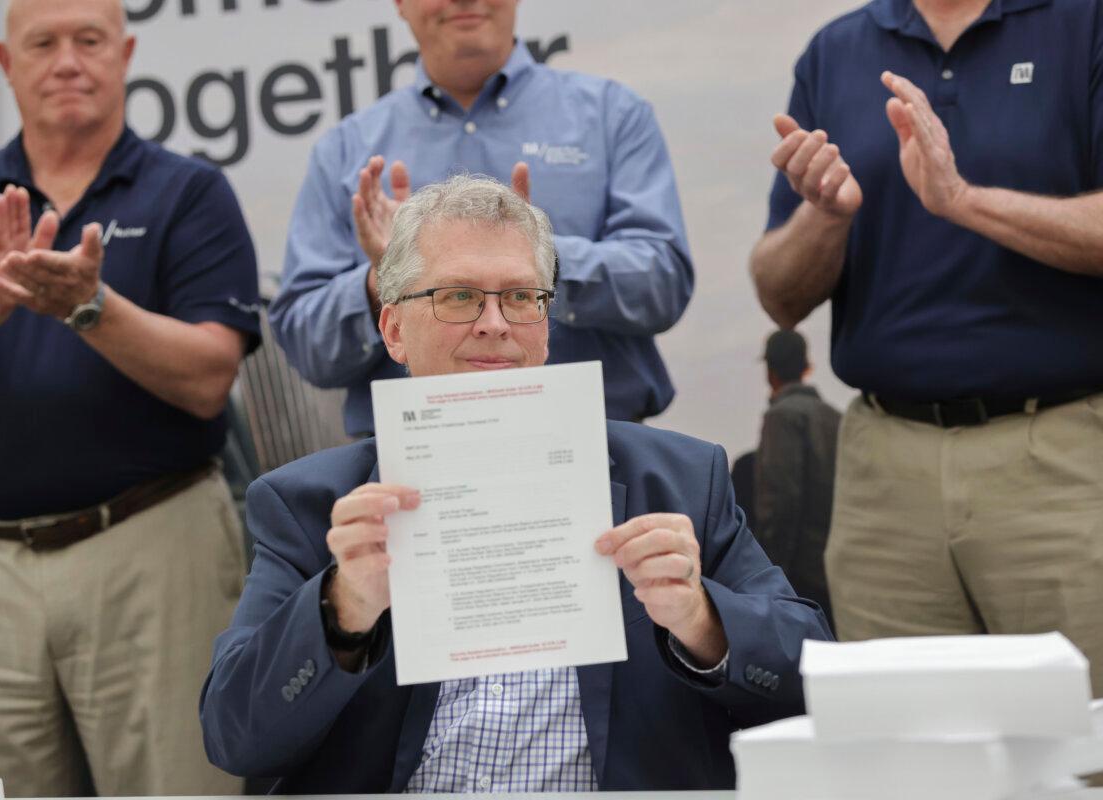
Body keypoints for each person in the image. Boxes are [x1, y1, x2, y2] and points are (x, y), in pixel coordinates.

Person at [201, 176, 829, 792]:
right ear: (393, 331)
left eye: (522, 297)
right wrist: (341, 610)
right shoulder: (313, 509)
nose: (496, 323)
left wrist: (703, 621)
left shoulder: (681, 482)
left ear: (546, 324)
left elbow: (813, 678)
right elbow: (236, 738)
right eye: (458, 297)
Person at [0, 0, 260, 794]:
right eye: (43, 42)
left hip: (154, 554)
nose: (68, 60)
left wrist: (88, 308)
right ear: (5, 64)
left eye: (89, 39)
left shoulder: (190, 193)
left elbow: (208, 380)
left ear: (125, 52)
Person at [749, 0, 1103, 693]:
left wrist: (963, 200)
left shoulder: (1084, 24)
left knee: (1083, 756)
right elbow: (780, 297)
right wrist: (825, 217)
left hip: (1061, 460)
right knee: (905, 755)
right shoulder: (836, 51)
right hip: (885, 474)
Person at [270, 0, 693, 438]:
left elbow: (663, 284)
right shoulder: (345, 150)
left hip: (594, 442)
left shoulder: (613, 115)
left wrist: (531, 258)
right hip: (414, 457)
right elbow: (306, 348)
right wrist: (391, 273)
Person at [752, 329, 840, 628]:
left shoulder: (780, 417)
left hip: (800, 577)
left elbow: (780, 498)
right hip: (837, 568)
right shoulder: (834, 416)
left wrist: (771, 570)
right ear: (807, 365)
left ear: (769, 371)